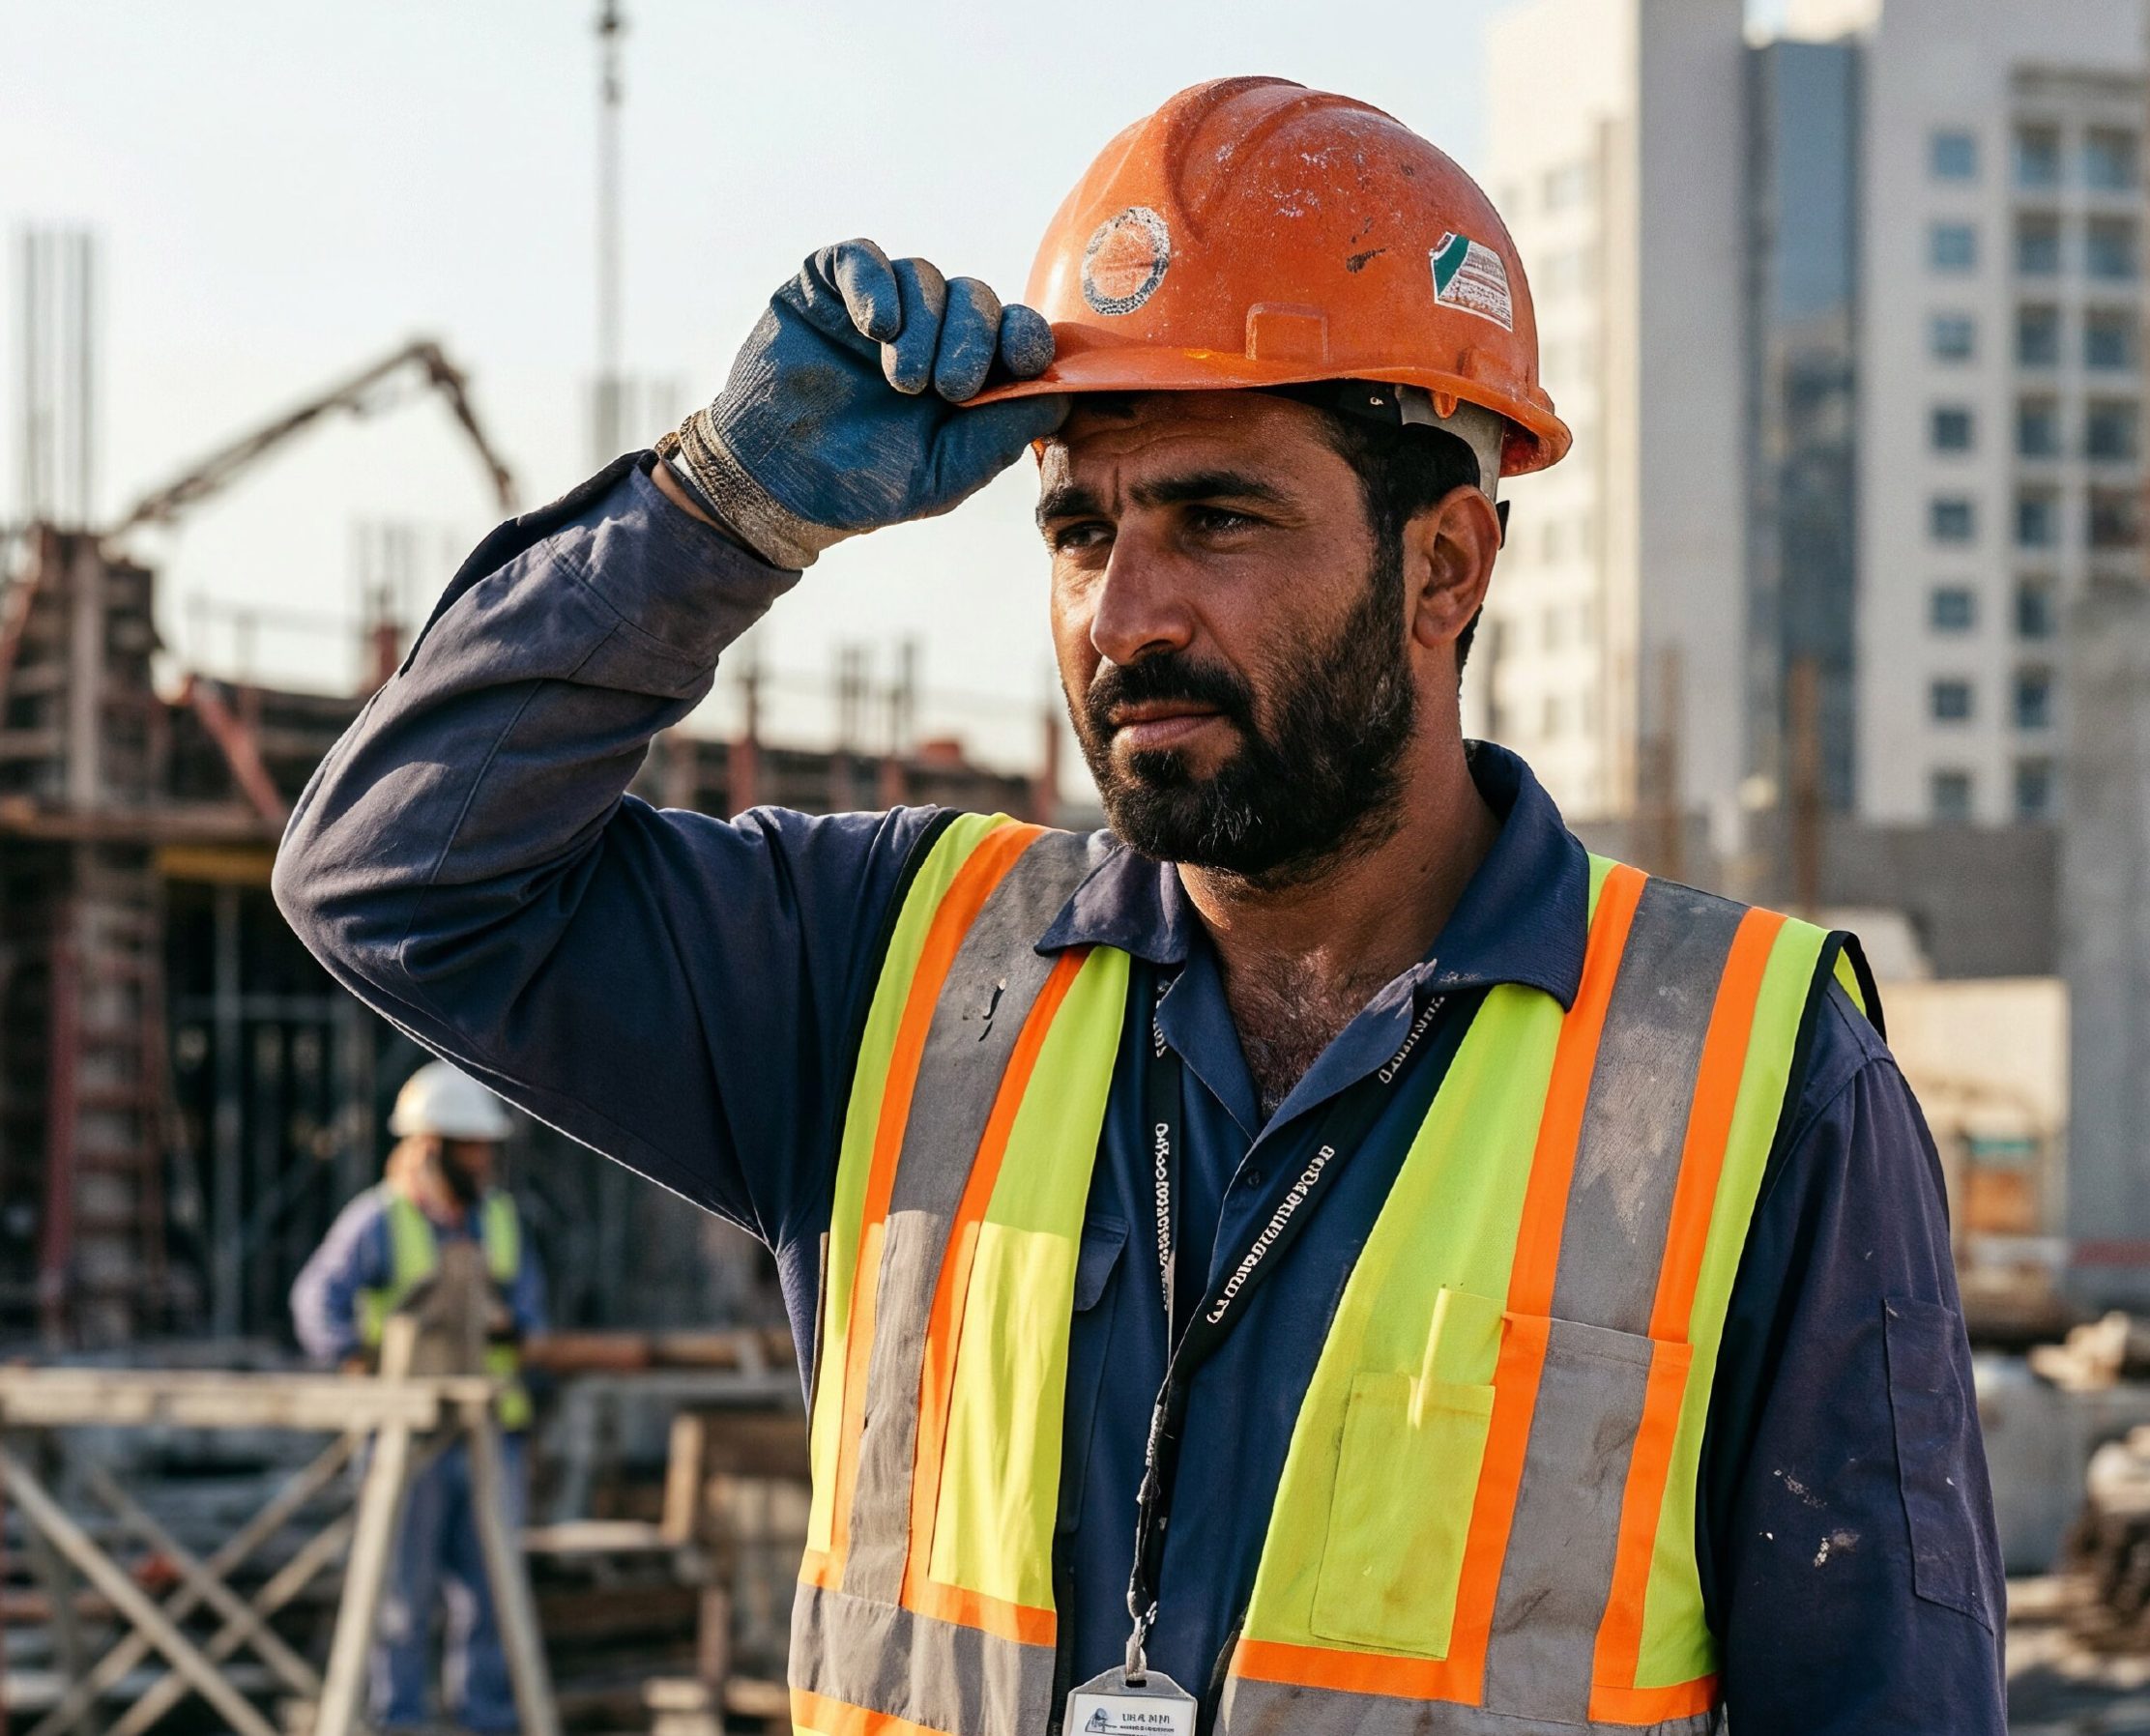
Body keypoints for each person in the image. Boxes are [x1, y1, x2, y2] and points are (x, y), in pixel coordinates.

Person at [276, 76, 2003, 1736]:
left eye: (1216, 517)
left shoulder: (1748, 1086)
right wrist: (723, 507)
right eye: (1082, 531)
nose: (1124, 615)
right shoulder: (888, 973)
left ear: (1446, 565)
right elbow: (400, 878)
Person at [292, 1060, 543, 1735]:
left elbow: (530, 1312)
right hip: (406, 1442)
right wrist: (351, 1357)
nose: (484, 1161)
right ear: (431, 1147)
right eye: (472, 1148)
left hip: (489, 1433)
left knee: (492, 1602)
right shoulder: (379, 1220)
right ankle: (400, 1723)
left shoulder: (499, 1220)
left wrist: (511, 1326)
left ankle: (487, 1724)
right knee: (401, 1599)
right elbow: (316, 1299)